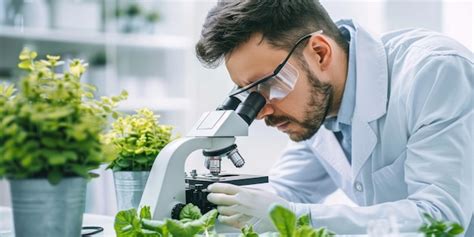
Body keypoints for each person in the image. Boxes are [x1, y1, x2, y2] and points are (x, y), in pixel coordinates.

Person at [195, 0, 473, 235]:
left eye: (269, 85)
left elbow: (441, 218)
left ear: (319, 53)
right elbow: (286, 193)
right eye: (250, 94)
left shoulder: (435, 73)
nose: (261, 112)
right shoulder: (320, 107)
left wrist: (292, 216)